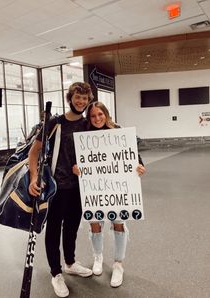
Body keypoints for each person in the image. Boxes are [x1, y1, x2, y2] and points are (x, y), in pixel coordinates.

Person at [28, 82, 94, 298]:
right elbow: (33, 153)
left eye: (85, 98)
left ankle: (70, 262)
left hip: (79, 187)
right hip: (56, 187)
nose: (81, 102)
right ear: (70, 98)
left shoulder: (87, 125)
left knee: (73, 227)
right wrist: (34, 178)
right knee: (54, 229)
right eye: (77, 97)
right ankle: (56, 273)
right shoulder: (55, 123)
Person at [72, 101, 146, 288]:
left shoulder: (119, 132)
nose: (97, 118)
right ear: (89, 118)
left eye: (100, 114)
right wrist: (76, 168)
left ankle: (118, 263)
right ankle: (98, 257)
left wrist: (139, 166)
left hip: (118, 188)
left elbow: (134, 157)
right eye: (93, 116)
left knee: (119, 223)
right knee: (95, 223)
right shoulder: (84, 137)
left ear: (106, 114)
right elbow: (76, 160)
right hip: (94, 189)